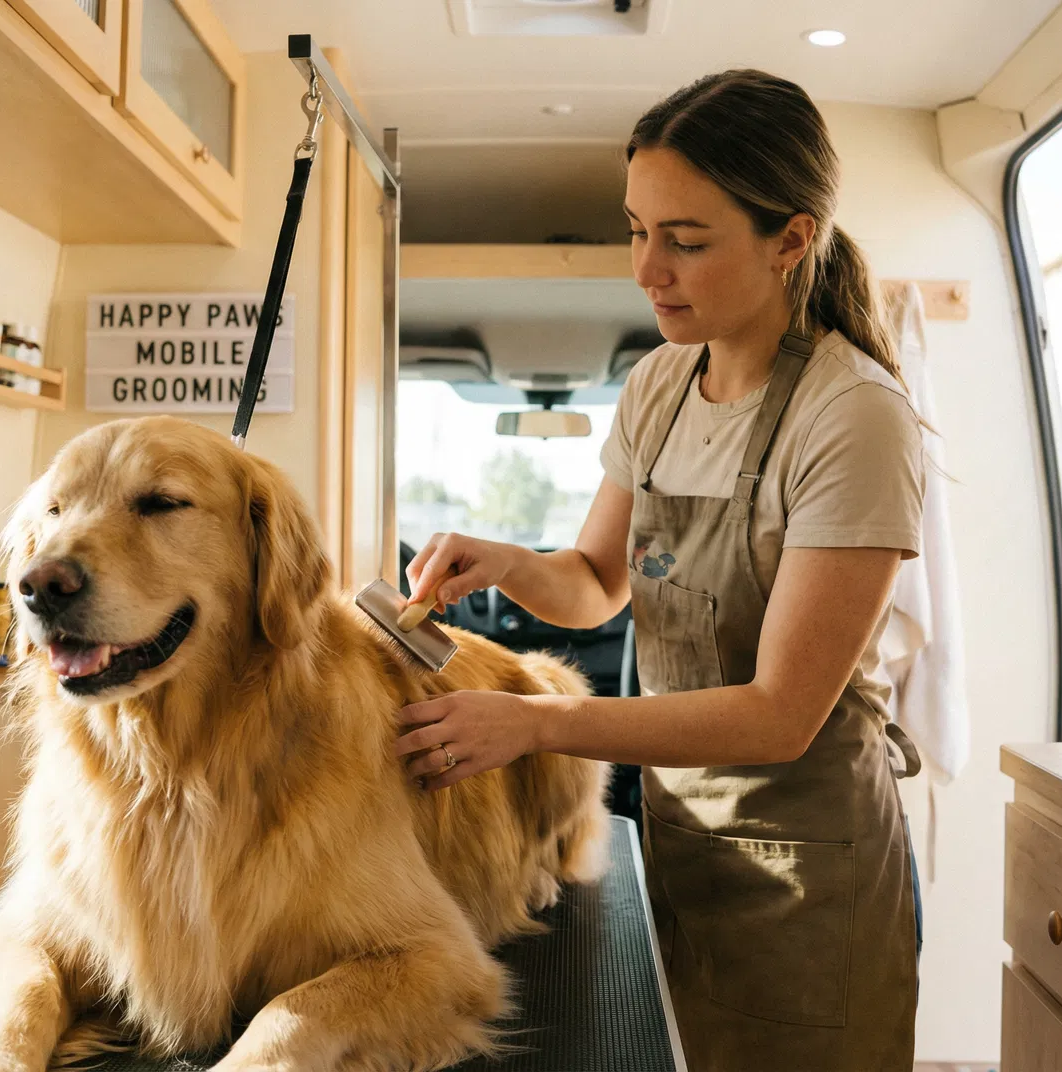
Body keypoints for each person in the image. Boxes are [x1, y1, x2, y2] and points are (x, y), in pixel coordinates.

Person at [395, 68, 925, 1071]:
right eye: (636, 231)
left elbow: (778, 713)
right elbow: (596, 582)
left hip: (807, 872)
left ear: (791, 238)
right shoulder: (657, 384)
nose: (648, 270)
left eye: (686, 241)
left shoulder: (851, 416)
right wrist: (509, 563)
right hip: (682, 835)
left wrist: (539, 724)